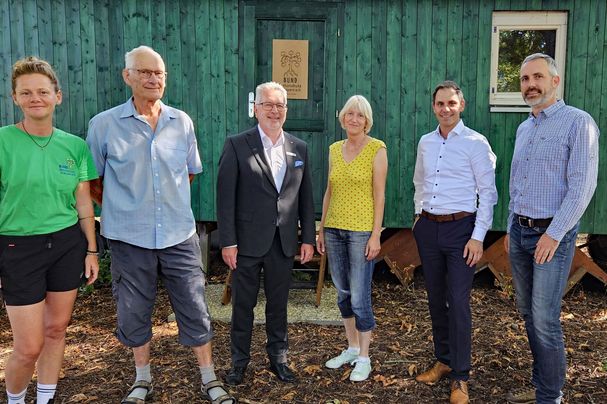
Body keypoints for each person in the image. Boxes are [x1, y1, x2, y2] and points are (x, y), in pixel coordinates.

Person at [86, 46, 235, 404]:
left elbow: (189, 174)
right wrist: (126, 208)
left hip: (178, 235)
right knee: (134, 310)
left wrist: (162, 205)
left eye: (160, 74)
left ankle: (209, 379)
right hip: (127, 238)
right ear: (128, 76)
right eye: (145, 72)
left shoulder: (180, 122)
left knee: (195, 307)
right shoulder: (103, 124)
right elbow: (91, 181)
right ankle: (142, 380)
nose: (154, 79)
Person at [0, 57, 99, 404]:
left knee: (56, 331)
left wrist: (91, 249)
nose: (35, 98)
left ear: (58, 96)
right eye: (26, 92)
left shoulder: (74, 146)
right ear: (15, 98)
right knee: (28, 346)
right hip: (16, 247)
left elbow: (84, 202)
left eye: (43, 91)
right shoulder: (3, 141)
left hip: (66, 245)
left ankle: (45, 399)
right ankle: (14, 400)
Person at [504, 53, 599, 404]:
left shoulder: (579, 123)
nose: (530, 84)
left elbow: (582, 186)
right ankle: (541, 382)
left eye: (538, 77)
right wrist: (512, 227)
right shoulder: (524, 127)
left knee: (545, 319)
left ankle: (550, 397)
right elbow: (519, 182)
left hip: (552, 236)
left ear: (555, 82)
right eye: (525, 79)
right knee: (528, 313)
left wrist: (554, 234)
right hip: (521, 232)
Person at [216, 81, 315, 385]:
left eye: (280, 105)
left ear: (287, 110)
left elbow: (305, 197)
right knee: (243, 305)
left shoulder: (299, 147)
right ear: (255, 108)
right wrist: (228, 241)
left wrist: (307, 237)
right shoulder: (237, 144)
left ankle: (279, 359)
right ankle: (238, 363)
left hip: (283, 242)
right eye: (268, 104)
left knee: (278, 305)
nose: (274, 110)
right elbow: (225, 197)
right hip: (245, 243)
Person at [412, 81, 497, 404]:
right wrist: (418, 217)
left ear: (461, 105)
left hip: (462, 230)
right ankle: (444, 361)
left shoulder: (476, 143)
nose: (445, 108)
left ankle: (461, 377)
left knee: (458, 302)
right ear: (433, 107)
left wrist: (478, 237)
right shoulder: (426, 142)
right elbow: (420, 181)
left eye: (451, 103)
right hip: (429, 229)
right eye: (440, 103)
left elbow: (488, 194)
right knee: (435, 298)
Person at [317, 95, 388, 382]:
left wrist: (375, 235)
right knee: (343, 293)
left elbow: (380, 195)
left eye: (360, 115)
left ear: (367, 121)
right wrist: (321, 228)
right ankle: (351, 347)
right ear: (343, 117)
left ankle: (364, 357)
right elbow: (329, 191)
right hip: (334, 229)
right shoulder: (334, 149)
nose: (354, 119)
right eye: (349, 114)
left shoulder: (377, 149)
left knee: (360, 297)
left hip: (361, 233)